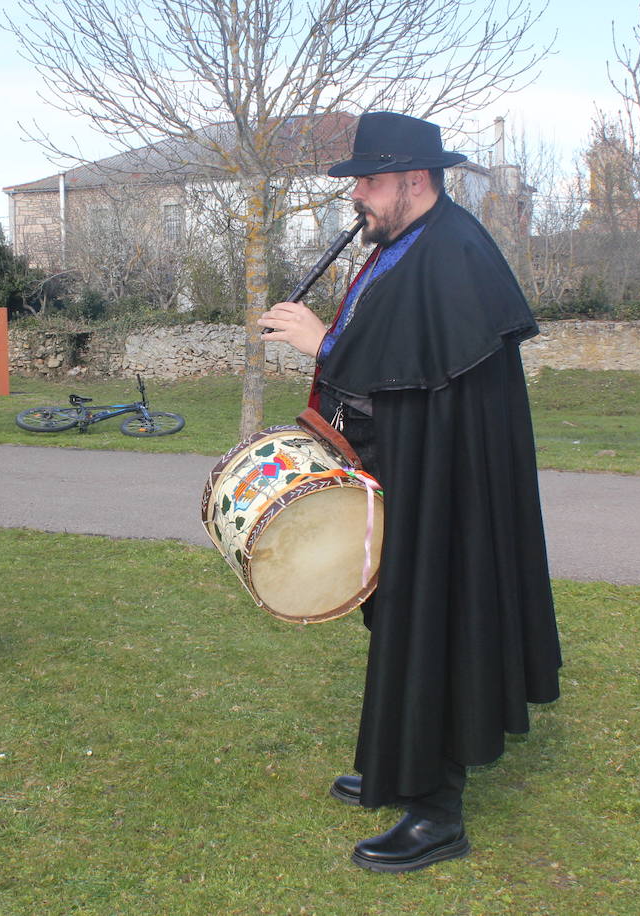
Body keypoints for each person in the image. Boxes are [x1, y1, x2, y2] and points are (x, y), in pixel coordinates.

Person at [259, 112, 561, 874]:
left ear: (415, 180)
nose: (357, 195)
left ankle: (436, 812)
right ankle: (398, 765)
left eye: (369, 181)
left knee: (436, 622)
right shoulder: (405, 245)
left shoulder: (453, 252)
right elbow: (400, 361)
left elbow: (411, 369)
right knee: (396, 622)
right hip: (402, 472)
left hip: (446, 488)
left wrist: (320, 341)